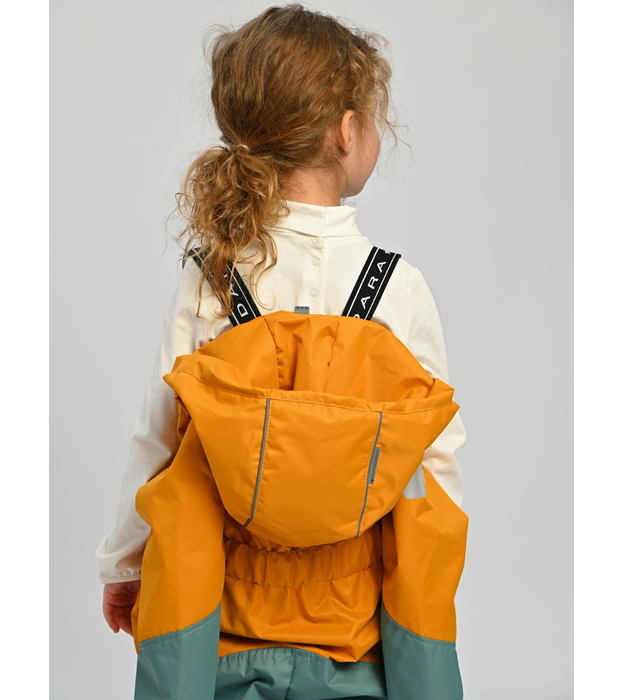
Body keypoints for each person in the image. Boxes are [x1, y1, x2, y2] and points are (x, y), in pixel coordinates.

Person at [96, 4, 467, 697]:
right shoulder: (397, 289)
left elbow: (160, 437)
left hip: (221, 633)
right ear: (347, 131)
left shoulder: (213, 278)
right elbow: (434, 472)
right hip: (357, 640)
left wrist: (124, 564)